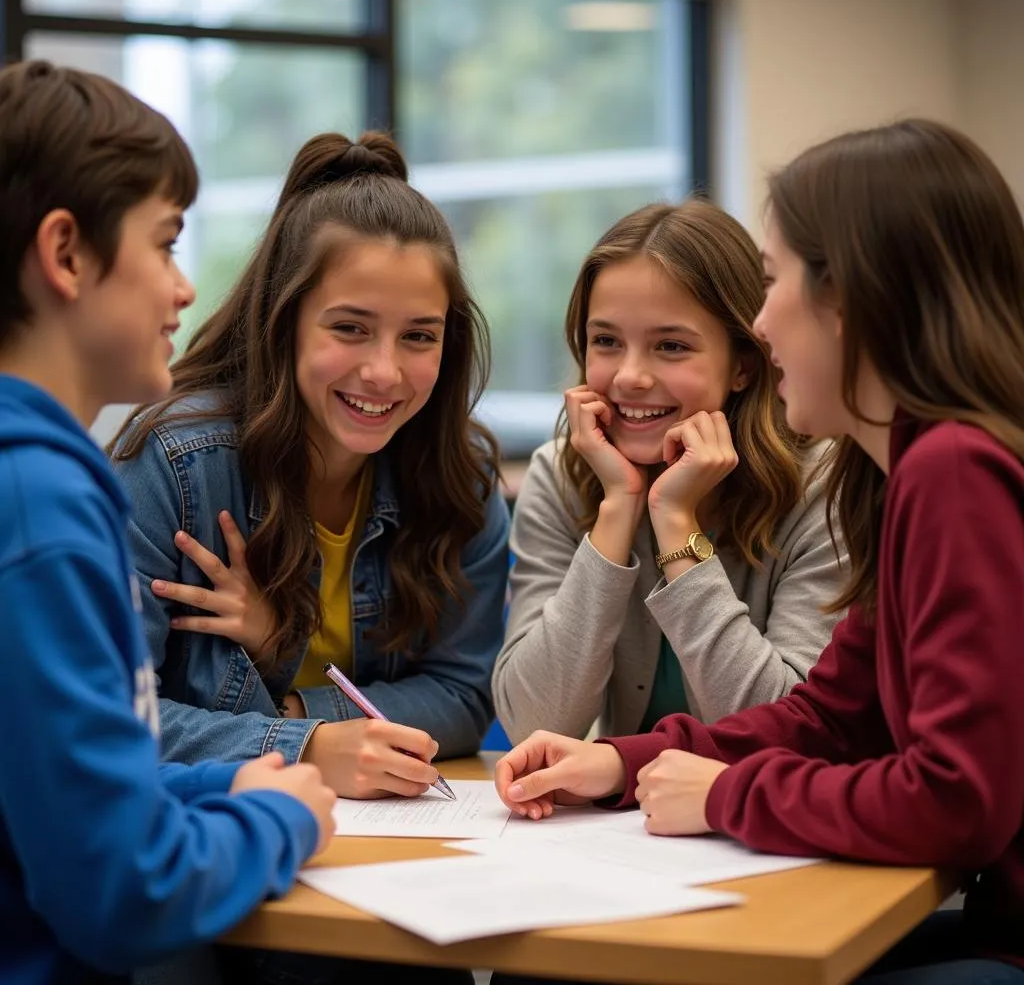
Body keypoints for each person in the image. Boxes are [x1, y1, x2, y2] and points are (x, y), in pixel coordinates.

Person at [494, 119, 1024, 983]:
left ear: (854, 299)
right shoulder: (904, 470)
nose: (763, 321)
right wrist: (619, 762)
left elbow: (959, 802)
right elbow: (830, 719)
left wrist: (725, 795)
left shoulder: (952, 470)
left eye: (774, 284)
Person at [0, 58, 336, 984]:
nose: (186, 291)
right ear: (66, 254)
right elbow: (123, 887)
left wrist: (225, 782)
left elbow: (66, 788)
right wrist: (280, 818)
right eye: (166, 243)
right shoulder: (38, 508)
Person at [109, 130, 508, 810]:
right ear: (283, 322)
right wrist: (312, 749)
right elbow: (117, 718)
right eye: (349, 328)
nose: (383, 372)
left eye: (419, 335)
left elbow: (462, 694)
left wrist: (297, 711)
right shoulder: (176, 464)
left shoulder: (459, 475)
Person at [492, 200, 844, 744]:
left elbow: (783, 735)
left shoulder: (821, 488)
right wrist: (616, 512)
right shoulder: (561, 476)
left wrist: (676, 522)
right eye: (606, 341)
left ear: (743, 365)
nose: (630, 377)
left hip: (751, 818)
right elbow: (532, 723)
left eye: (671, 346)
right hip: (624, 816)